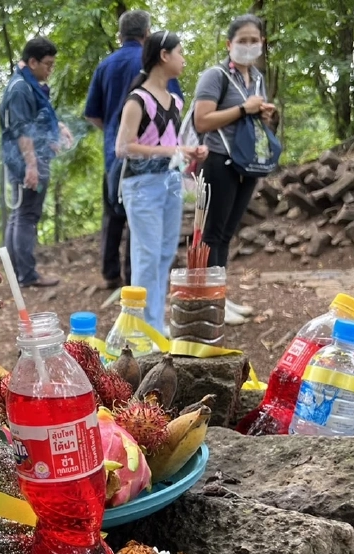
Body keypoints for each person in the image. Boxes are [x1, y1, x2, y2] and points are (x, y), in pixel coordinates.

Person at [85, 10, 185, 291]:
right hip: (149, 158)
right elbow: (171, 111)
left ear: (120, 35)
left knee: (114, 212)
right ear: (147, 34)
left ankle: (111, 274)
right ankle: (135, 283)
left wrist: (115, 132)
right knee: (141, 221)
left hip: (114, 154)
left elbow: (92, 113)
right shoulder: (155, 68)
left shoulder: (105, 66)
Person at [115, 31, 208, 333]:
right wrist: (173, 150)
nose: (183, 59)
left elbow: (174, 144)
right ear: (164, 55)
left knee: (166, 253)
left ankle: (154, 323)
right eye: (180, 52)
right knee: (146, 254)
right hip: (141, 186)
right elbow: (123, 147)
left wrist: (190, 153)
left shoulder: (176, 101)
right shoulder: (137, 100)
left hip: (170, 182)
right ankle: (140, 329)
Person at [191, 14, 275, 326]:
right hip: (217, 159)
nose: (249, 46)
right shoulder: (215, 76)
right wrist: (243, 109)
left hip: (247, 162)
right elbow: (202, 120)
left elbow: (250, 118)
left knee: (227, 233)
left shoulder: (258, 79)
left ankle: (220, 296)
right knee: (211, 233)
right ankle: (210, 301)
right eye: (243, 40)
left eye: (254, 40)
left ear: (262, 43)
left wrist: (262, 115)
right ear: (229, 44)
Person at [0, 36, 72, 288]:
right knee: (26, 215)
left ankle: (17, 273)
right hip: (25, 160)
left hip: (25, 158)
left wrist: (58, 127)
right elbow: (22, 130)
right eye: (48, 64)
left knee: (19, 214)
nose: (50, 70)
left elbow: (37, 119)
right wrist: (31, 165)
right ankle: (27, 275)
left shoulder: (25, 85)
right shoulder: (20, 88)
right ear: (32, 62)